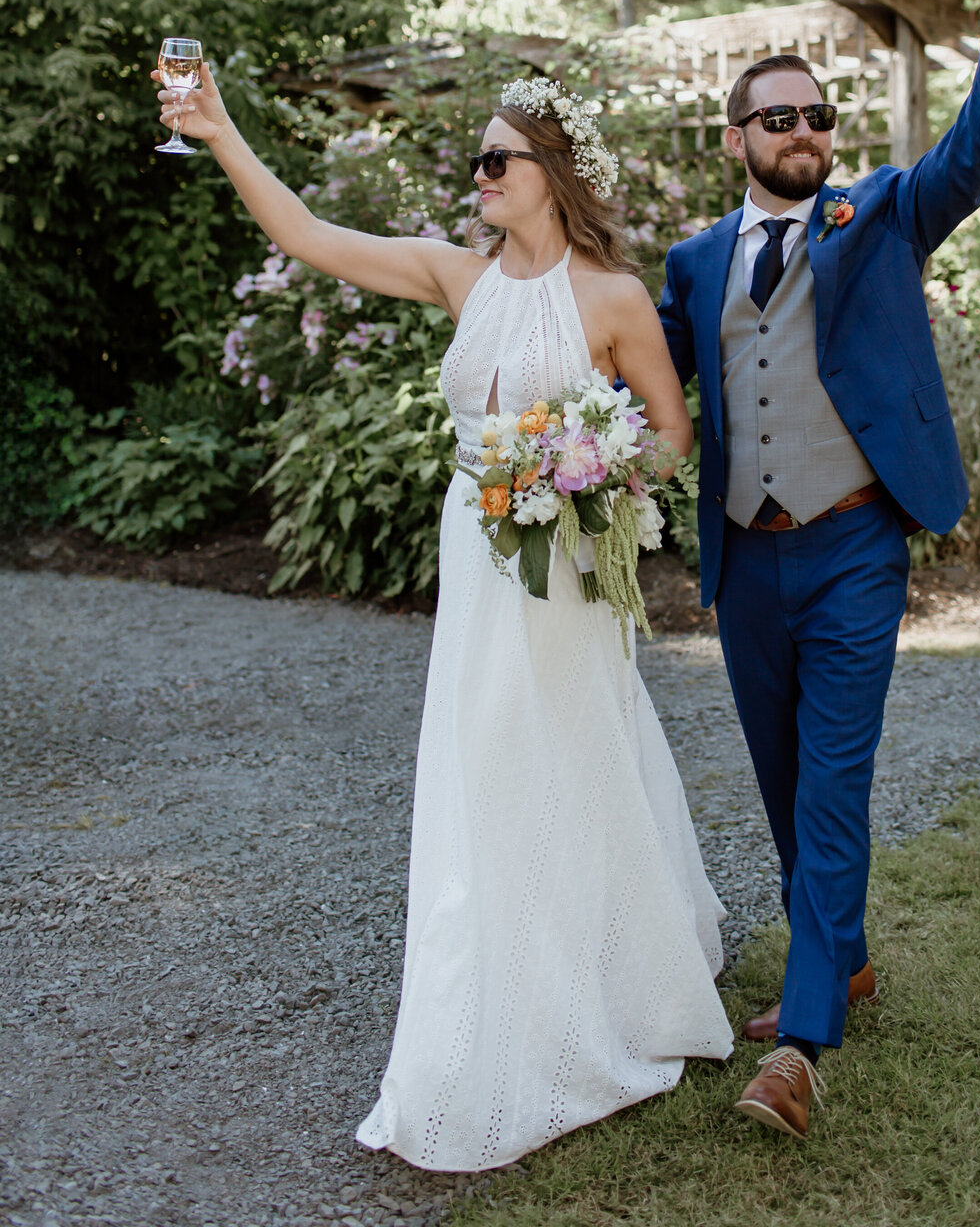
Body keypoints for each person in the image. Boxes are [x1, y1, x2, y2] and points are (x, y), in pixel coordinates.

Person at [152, 66, 734, 1171]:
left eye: (496, 159)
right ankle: (504, 1000)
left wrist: (593, 471)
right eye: (476, 158)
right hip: (477, 554)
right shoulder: (457, 276)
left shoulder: (612, 296)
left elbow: (671, 430)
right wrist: (222, 130)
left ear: (549, 174)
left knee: (573, 751)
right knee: (483, 768)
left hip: (561, 565)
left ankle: (606, 982)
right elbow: (310, 234)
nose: (478, 175)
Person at [657, 0, 980, 1140]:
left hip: (851, 548)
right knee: (783, 783)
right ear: (736, 140)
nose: (804, 135)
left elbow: (977, 148)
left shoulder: (880, 214)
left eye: (818, 117)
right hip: (745, 558)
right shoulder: (689, 261)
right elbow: (654, 394)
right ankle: (854, 956)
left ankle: (805, 1043)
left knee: (833, 786)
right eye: (777, 120)